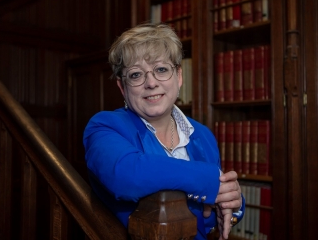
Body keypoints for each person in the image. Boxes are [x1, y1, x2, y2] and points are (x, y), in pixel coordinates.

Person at [83, 22, 245, 240]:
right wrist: (210, 179)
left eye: (161, 70)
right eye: (135, 75)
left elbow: (208, 215)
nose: (151, 83)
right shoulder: (105, 126)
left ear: (178, 76)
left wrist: (234, 203)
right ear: (122, 87)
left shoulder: (202, 135)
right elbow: (127, 176)